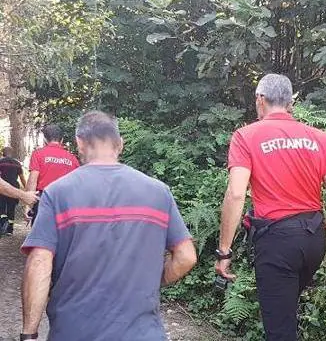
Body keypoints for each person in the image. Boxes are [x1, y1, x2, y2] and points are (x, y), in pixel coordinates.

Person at [20, 111, 197, 341]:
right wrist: (155, 279)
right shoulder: (158, 192)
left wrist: (29, 334)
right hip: (144, 334)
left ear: (80, 144)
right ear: (120, 144)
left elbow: (40, 264)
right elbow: (186, 257)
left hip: (74, 332)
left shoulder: (58, 193)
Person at [216, 74, 326, 341]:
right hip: (315, 240)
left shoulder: (246, 136)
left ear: (260, 99)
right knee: (285, 312)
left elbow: (235, 194)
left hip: (278, 242)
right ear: (291, 103)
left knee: (279, 329)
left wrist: (224, 251)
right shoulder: (319, 138)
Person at [25, 124, 80, 224]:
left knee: (41, 234)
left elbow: (33, 179)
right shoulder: (73, 159)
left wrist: (28, 205)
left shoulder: (38, 154)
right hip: (65, 201)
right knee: (63, 234)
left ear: (45, 139)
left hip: (44, 198)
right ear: (62, 140)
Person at [0, 147, 27, 235]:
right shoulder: (17, 163)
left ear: (3, 153)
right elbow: (22, 178)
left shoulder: (1, 162)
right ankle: (10, 230)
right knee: (11, 208)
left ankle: (3, 222)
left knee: (1, 207)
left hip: (2, 188)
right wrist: (26, 190)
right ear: (12, 153)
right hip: (14, 188)